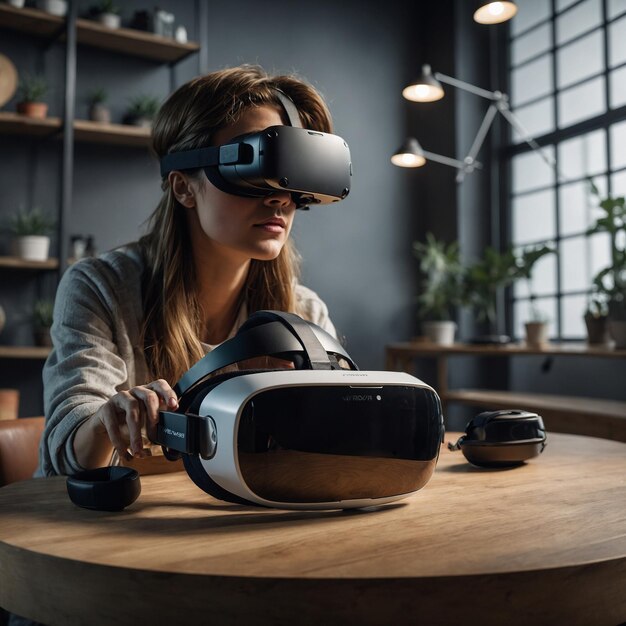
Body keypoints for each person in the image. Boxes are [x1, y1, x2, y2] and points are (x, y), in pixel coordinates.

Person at [37, 65, 340, 477]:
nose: (280, 199)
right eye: (253, 168)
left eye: (290, 178)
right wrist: (110, 421)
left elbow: (336, 450)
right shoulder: (100, 288)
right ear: (183, 187)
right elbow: (67, 454)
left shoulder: (303, 315)